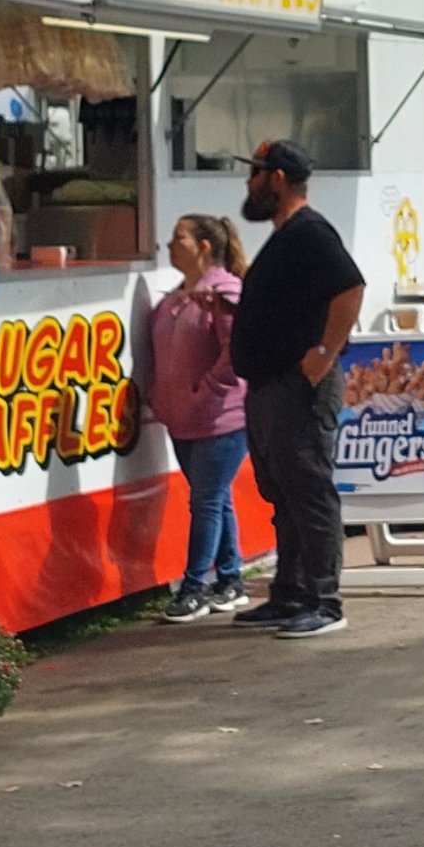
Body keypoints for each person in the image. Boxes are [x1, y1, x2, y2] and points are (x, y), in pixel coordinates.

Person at [232, 139, 366, 636]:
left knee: (308, 490)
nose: (249, 183)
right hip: (270, 385)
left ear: (279, 178)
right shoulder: (285, 236)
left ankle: (325, 601)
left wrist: (326, 352)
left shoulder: (310, 231)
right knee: (284, 493)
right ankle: (289, 593)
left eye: (256, 173)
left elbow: (350, 287)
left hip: (297, 387)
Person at [145, 212, 251, 621]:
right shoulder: (174, 300)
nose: (169, 246)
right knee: (215, 498)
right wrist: (161, 398)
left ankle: (194, 588)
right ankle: (230, 579)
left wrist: (206, 390)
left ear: (204, 247)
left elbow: (235, 352)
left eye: (179, 238)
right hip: (182, 419)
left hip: (221, 420)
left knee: (205, 501)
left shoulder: (225, 293)